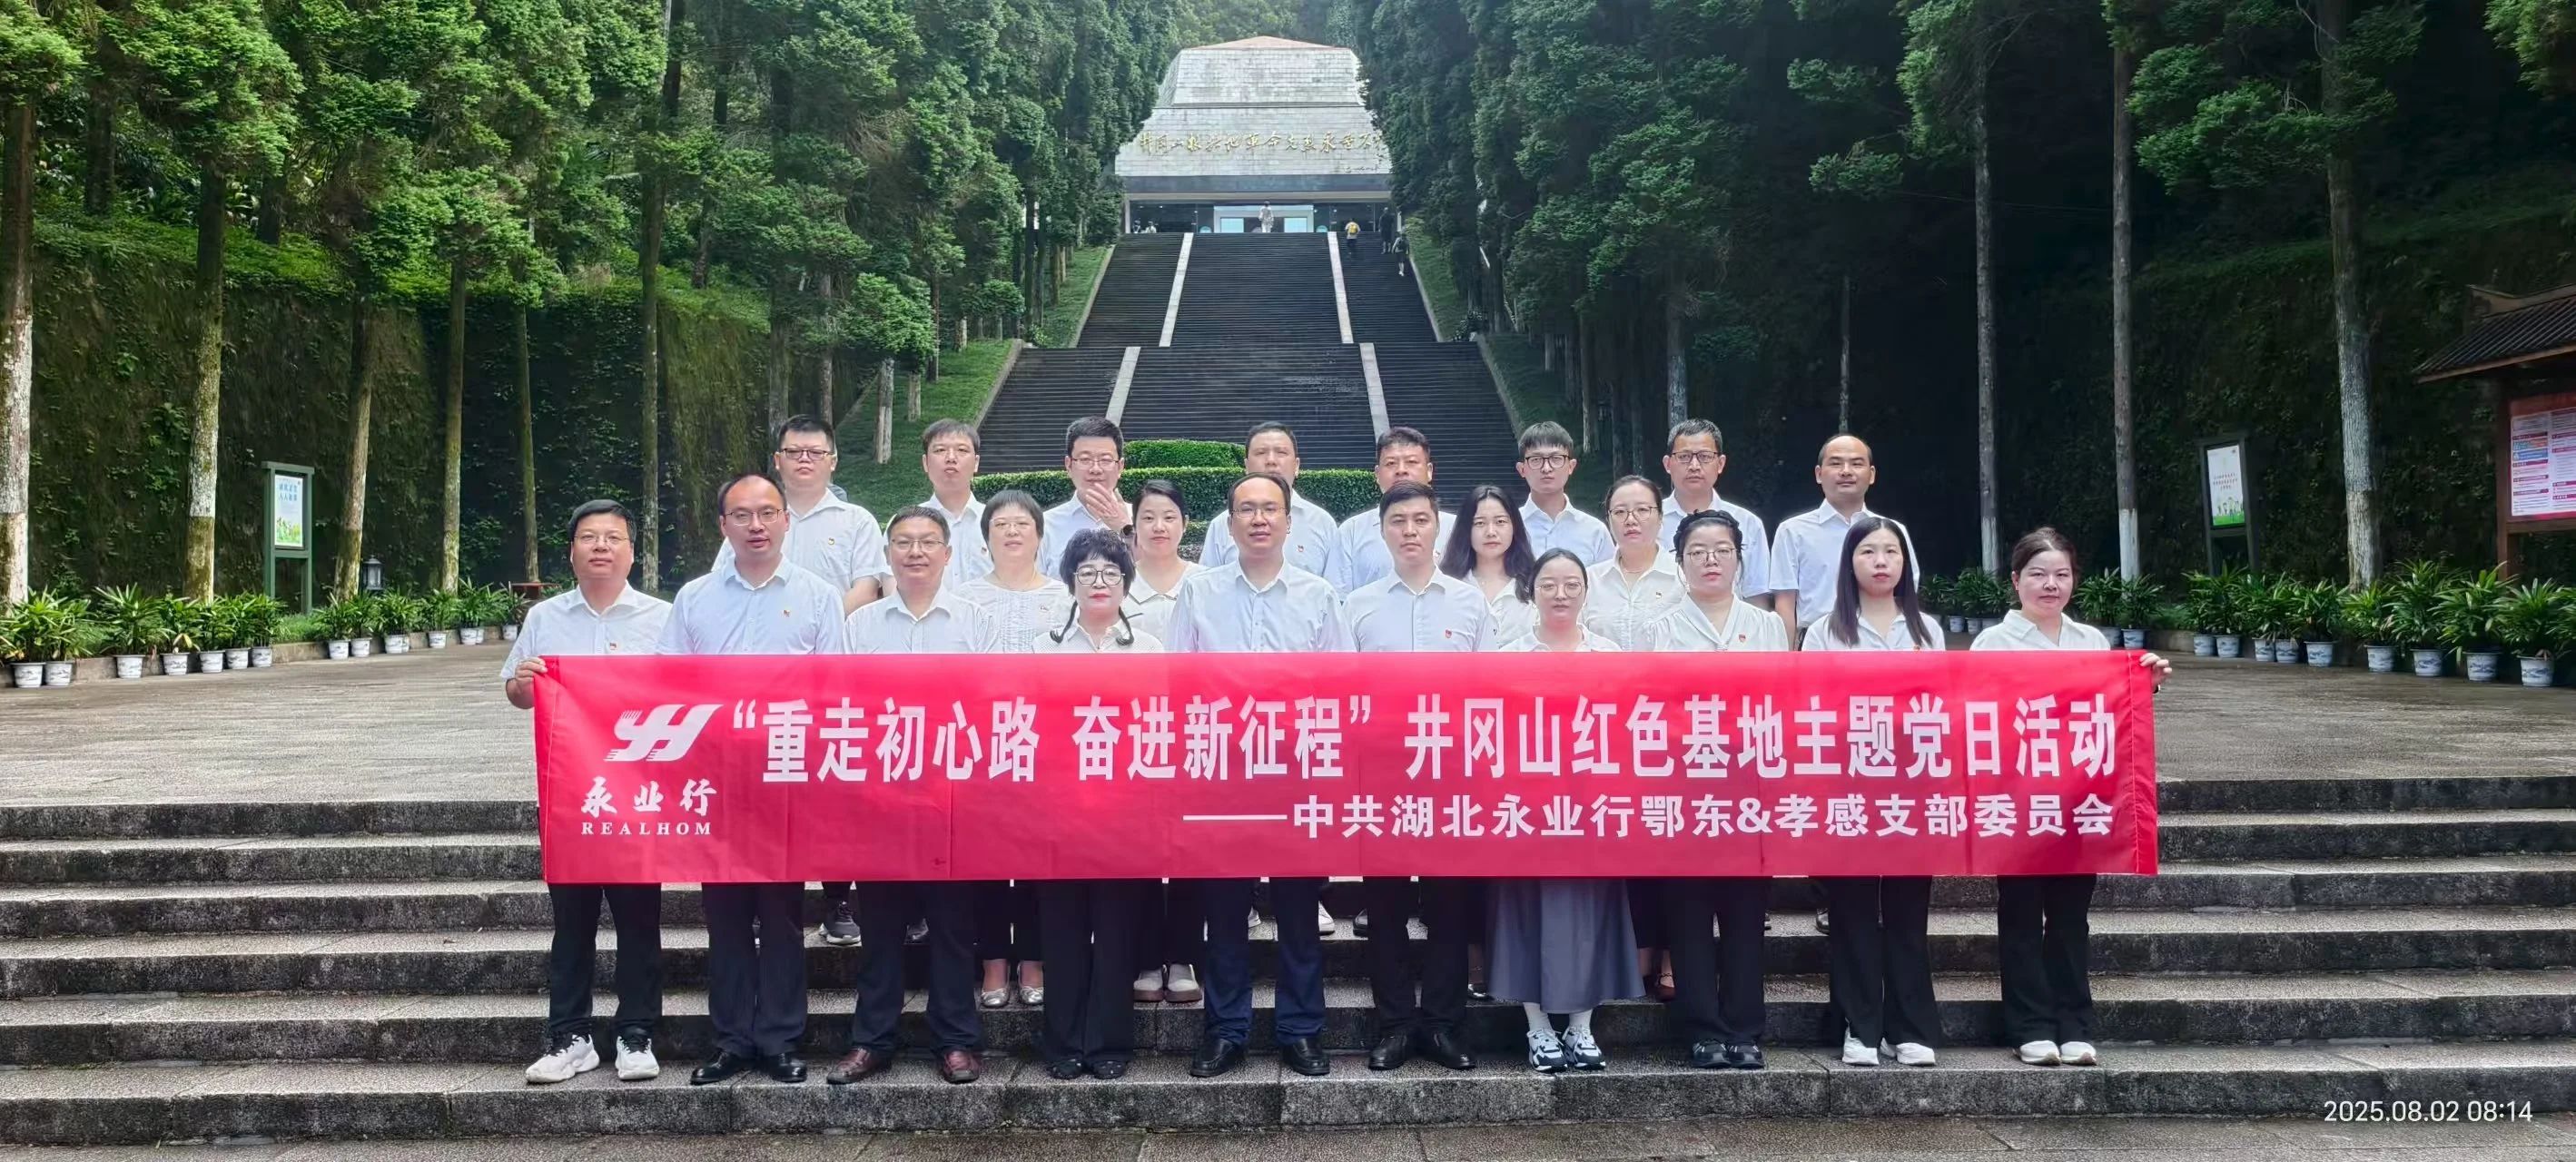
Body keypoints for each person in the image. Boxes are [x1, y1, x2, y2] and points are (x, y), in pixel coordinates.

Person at [659, 473, 848, 1086]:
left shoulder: (818, 596)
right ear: (724, 526)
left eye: (767, 512)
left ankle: (781, 1039)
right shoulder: (694, 599)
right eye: (741, 515)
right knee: (726, 915)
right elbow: (667, 683)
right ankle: (731, 1041)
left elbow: (835, 687)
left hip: (787, 775)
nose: (756, 525)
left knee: (784, 913)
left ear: (786, 520)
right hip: (717, 778)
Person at [1167, 472, 1354, 1079]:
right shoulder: (1199, 593)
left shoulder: (1318, 595)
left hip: (1296, 772)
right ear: (1228, 524)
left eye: (1269, 509)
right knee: (1223, 910)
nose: (1258, 519)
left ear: (1288, 522)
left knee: (1298, 909)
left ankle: (1301, 1031)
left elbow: (1341, 684)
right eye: (1246, 509)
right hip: (1221, 772)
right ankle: (1226, 1030)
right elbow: (1176, 681)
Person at [1975, 527, 2173, 1068]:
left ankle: (2074, 1024)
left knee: (2070, 917)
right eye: (2038, 574)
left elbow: (2112, 712)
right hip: (2017, 802)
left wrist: (2146, 684)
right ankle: (2029, 1027)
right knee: (2020, 915)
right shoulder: (1992, 644)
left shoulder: (2091, 642)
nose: (2050, 585)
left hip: (2079, 801)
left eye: (2061, 575)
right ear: (2015, 581)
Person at [505, 500, 672, 1086]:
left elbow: (686, 695)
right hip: (571, 793)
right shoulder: (545, 617)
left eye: (613, 537)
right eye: (589, 537)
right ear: (572, 551)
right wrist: (522, 683)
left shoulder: (663, 618)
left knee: (639, 919)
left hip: (638, 793)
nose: (601, 546)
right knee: (571, 921)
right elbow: (517, 693)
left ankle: (635, 1033)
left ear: (631, 551)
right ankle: (569, 1036)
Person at [833, 507, 1001, 1087]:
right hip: (881, 798)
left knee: (952, 926)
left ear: (948, 554)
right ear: (889, 555)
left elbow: (991, 705)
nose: (916, 552)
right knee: (880, 926)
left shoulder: (976, 622)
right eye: (903, 542)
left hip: (952, 798)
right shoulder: (861, 626)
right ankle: (871, 1040)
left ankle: (955, 1041)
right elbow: (845, 706)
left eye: (928, 542)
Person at [709, 416, 888, 949]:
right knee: (765, 796)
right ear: (778, 460)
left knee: (831, 796)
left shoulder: (856, 520)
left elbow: (868, 585)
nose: (804, 460)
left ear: (833, 459)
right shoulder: (753, 514)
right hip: (758, 690)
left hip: (830, 675)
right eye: (794, 451)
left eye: (815, 451)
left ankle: (837, 901)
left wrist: (815, 628)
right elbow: (725, 586)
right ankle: (760, 902)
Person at [1342, 481, 1489, 1073]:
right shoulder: (1358, 605)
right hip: (1381, 775)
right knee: (1384, 907)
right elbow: (1343, 695)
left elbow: (1489, 694)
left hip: (1451, 776)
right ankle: (1396, 1025)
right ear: (1383, 530)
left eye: (1420, 520)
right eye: (1398, 520)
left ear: (1438, 527)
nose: (1409, 530)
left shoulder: (1469, 603)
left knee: (1450, 904)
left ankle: (1444, 1024)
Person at [1644, 509, 1791, 1072]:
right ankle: (1702, 1029)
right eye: (1698, 551)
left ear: (1739, 559)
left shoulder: (1768, 626)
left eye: (1722, 550)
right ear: (1680, 563)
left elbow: (1783, 705)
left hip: (1751, 790)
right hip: (1684, 790)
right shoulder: (1659, 629)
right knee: (1688, 915)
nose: (1711, 560)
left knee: (1745, 915)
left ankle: (1745, 1027)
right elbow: (1649, 712)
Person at [1800, 515, 1943, 1068]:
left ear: (1905, 563)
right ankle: (1859, 1025)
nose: (1881, 561)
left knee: (1908, 910)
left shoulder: (1926, 631)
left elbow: (1943, 709)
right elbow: (1810, 708)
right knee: (1853, 909)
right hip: (1847, 787)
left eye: (1891, 552)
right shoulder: (1825, 631)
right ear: (1850, 563)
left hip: (1912, 787)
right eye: (1868, 552)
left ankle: (1909, 1026)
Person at [1488, 548, 1636, 1071]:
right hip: (1527, 809)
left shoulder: (1610, 655)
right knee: (1526, 912)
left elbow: (1627, 730)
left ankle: (1581, 1028)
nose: (1561, 594)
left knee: (1590, 912)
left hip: (1592, 806)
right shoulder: (1508, 657)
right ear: (1532, 591)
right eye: (1549, 584)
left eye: (1572, 584)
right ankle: (1538, 1029)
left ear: (1586, 592)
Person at [1033, 529, 1160, 1079]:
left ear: (1127, 583)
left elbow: (1158, 725)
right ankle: (1063, 1042)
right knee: (1062, 928)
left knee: (1114, 929)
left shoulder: (1149, 649)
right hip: (1058, 809)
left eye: (1110, 572)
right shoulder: (1044, 647)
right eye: (1086, 572)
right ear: (1070, 583)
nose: (1099, 581)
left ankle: (1109, 1042)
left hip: (1123, 811)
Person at [956, 490, 1071, 1010]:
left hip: (1045, 747)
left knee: (1034, 860)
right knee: (985, 859)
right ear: (985, 538)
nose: (1012, 532)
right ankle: (993, 961)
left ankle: (1033, 958)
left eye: (1022, 523)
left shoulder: (1063, 597)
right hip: (981, 746)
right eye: (1000, 524)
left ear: (1040, 536)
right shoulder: (964, 598)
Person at [1120, 478, 1205, 1008]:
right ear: (1133, 526)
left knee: (1189, 848)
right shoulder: (1116, 584)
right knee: (1142, 851)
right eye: (1148, 517)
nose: (1159, 526)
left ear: (1184, 525)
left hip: (1193, 733)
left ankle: (1184, 957)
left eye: (1169, 517)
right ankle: (1148, 956)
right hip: (1131, 738)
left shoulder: (1204, 583)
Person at [1771, 434, 1919, 641]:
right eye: (1836, 463)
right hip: (1818, 643)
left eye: (1856, 464)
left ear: (1871, 475)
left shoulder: (1894, 532)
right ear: (1819, 474)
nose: (1846, 471)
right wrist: (1787, 656)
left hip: (1882, 643)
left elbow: (1906, 595)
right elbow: (1785, 604)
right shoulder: (1792, 531)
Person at [1200, 422, 1348, 584]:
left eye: (1281, 452)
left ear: (1296, 466)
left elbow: (1335, 588)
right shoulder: (1222, 524)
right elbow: (1208, 586)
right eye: (1261, 453)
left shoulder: (1322, 523)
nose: (1271, 460)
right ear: (1247, 466)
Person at [1657, 420, 1770, 603]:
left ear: (1720, 463)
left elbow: (1757, 597)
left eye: (1705, 456)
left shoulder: (1747, 523)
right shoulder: (1647, 520)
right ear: (1668, 464)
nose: (1694, 465)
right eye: (1684, 457)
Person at [1337, 427, 1456, 592]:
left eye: (1411, 462)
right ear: (1377, 474)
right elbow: (1341, 596)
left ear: (1429, 471)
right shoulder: (1352, 531)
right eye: (1391, 463)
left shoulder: (1456, 528)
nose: (1401, 470)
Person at [1584, 476, 1685, 651]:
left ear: (1660, 517)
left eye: (1642, 510)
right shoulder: (1588, 580)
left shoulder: (1683, 577)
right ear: (1608, 520)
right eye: (1620, 512)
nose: (1631, 520)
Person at [1441, 483, 1538, 645]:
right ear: (1466, 529)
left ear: (1514, 527)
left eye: (1500, 521)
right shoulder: (1446, 584)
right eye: (1480, 523)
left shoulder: (1536, 583)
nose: (1491, 532)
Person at [1038, 417, 1132, 574]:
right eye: (1085, 459)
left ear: (1120, 467)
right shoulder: (1044, 526)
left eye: (1105, 460)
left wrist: (1126, 530)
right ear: (1069, 465)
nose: (1095, 469)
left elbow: (1159, 576)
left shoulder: (1143, 520)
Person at [1515, 422, 1614, 565]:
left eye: (1556, 459)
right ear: (1522, 469)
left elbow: (1608, 577)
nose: (1546, 468)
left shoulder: (1595, 531)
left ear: (1571, 466)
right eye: (1536, 460)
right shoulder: (1509, 527)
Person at [919, 419, 991, 590]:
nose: (951, 458)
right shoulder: (906, 525)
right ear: (926, 463)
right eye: (940, 450)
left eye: (962, 450)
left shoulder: (996, 522)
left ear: (976, 462)